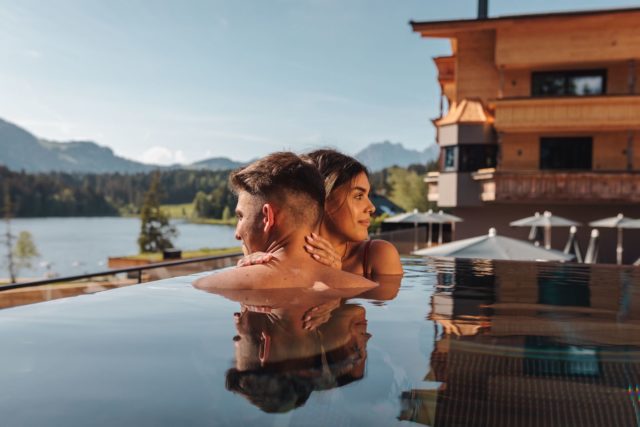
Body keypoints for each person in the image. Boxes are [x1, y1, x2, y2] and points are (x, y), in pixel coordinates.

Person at [193, 152, 377, 292]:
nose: (237, 233)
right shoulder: (363, 287)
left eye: (241, 217)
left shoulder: (210, 286)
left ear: (267, 217)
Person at [240, 149, 403, 279]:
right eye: (358, 196)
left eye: (367, 195)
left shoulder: (377, 255)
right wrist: (258, 268)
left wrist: (336, 279)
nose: (372, 207)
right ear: (322, 198)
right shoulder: (276, 255)